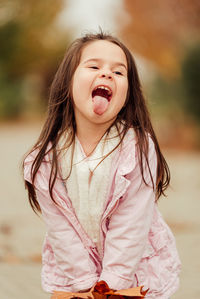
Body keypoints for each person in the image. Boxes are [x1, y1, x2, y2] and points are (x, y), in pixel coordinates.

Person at [23, 31, 181, 298]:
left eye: (119, 73)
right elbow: (60, 230)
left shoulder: (137, 148)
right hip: (73, 271)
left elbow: (131, 223)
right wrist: (84, 285)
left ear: (127, 94)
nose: (107, 74)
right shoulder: (46, 159)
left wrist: (110, 286)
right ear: (68, 82)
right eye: (94, 66)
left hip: (133, 268)